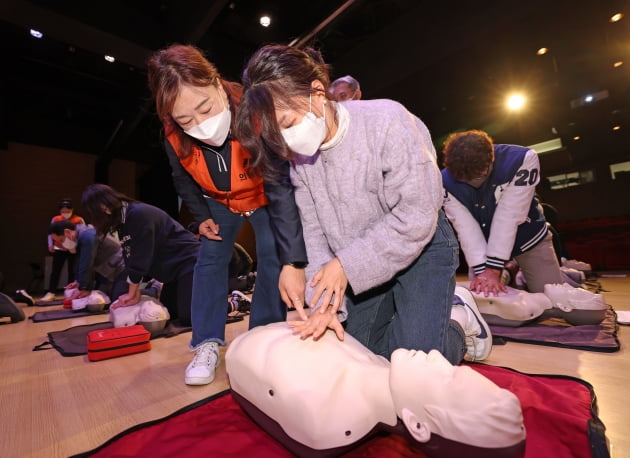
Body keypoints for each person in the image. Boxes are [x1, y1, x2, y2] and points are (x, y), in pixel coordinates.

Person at [236, 44, 492, 363]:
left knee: (417, 366)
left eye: (288, 123)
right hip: (360, 258)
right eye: (276, 134)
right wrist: (325, 308)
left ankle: (457, 318)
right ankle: (419, 324)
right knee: (355, 357)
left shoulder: (387, 120)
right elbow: (314, 235)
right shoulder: (301, 160)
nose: (286, 141)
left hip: (422, 246)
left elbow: (415, 217)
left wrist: (345, 266)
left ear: (317, 93)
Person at [146, 44, 307, 386]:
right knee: (208, 259)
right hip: (220, 201)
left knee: (272, 255)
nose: (200, 125)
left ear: (217, 84)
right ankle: (206, 343)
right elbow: (181, 178)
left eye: (204, 108)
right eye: (185, 119)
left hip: (265, 194)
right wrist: (201, 212)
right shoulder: (173, 136)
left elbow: (280, 186)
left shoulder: (255, 113)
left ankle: (262, 339)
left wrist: (294, 259)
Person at [226, 321, 526, 456]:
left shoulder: (324, 417)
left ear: (417, 425)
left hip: (249, 345)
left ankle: (458, 324)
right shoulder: (379, 363)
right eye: (451, 368)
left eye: (445, 378)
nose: (435, 358)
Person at [441, 130, 563, 297]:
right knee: (483, 299)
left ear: (491, 158)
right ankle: (507, 272)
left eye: (477, 176)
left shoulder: (522, 159)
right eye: (465, 179)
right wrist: (483, 270)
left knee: (555, 299)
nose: (472, 183)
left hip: (527, 237)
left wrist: (493, 268)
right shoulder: (444, 181)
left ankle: (509, 270)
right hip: (483, 243)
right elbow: (465, 226)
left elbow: (510, 215)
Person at [80, 183, 198, 334]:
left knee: (190, 317)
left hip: (190, 263)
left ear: (104, 207)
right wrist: (134, 292)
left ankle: (234, 303)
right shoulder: (122, 224)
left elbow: (141, 257)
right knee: (171, 313)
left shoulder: (138, 214)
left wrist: (131, 291)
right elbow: (129, 257)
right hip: (172, 273)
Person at [48, 220, 127, 303]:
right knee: (101, 300)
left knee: (117, 300)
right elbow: (81, 261)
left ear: (67, 232)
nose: (62, 244)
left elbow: (87, 262)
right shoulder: (81, 236)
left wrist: (83, 287)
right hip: (108, 270)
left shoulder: (87, 236)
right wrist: (78, 281)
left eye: (61, 240)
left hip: (120, 269)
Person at [40, 198, 85, 301]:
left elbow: (82, 232)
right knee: (55, 270)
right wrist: (50, 244)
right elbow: (50, 232)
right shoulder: (55, 219)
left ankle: (70, 292)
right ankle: (51, 292)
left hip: (73, 248)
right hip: (59, 248)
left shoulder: (78, 219)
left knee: (72, 271)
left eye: (68, 211)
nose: (65, 213)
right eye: (63, 211)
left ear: (72, 210)